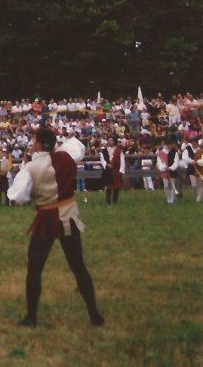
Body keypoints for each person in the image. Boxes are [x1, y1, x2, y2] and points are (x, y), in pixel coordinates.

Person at [7, 127, 104, 328]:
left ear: (40, 145)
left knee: (34, 268)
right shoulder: (66, 156)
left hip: (47, 217)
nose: (30, 144)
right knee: (78, 266)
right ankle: (94, 315)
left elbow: (16, 196)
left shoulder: (31, 168)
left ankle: (31, 317)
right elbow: (78, 147)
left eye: (33, 141)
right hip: (69, 214)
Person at [99, 137, 124, 204]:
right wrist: (107, 165)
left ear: (114, 141)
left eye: (111, 140)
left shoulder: (118, 150)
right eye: (109, 140)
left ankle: (115, 201)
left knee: (116, 187)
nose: (110, 142)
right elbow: (102, 159)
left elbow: (122, 160)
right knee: (108, 186)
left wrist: (121, 170)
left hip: (116, 170)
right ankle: (108, 202)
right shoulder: (104, 150)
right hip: (108, 170)